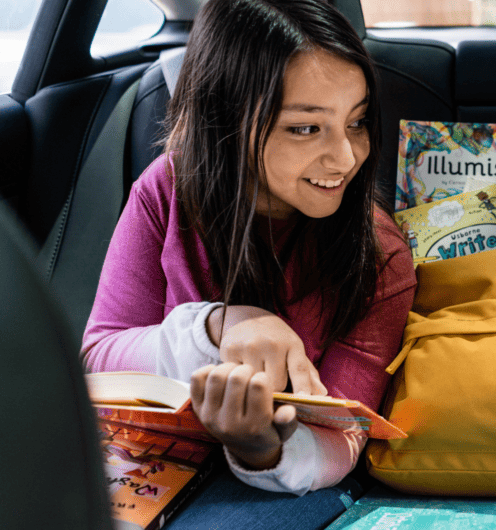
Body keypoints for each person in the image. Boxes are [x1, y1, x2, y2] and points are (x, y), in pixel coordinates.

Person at [81, 0, 416, 527]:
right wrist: (219, 326)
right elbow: (99, 357)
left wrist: (263, 446)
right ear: (227, 121)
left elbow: (347, 436)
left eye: (356, 122)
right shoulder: (167, 190)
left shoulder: (379, 253)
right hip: (144, 458)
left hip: (281, 486)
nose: (346, 158)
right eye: (306, 129)